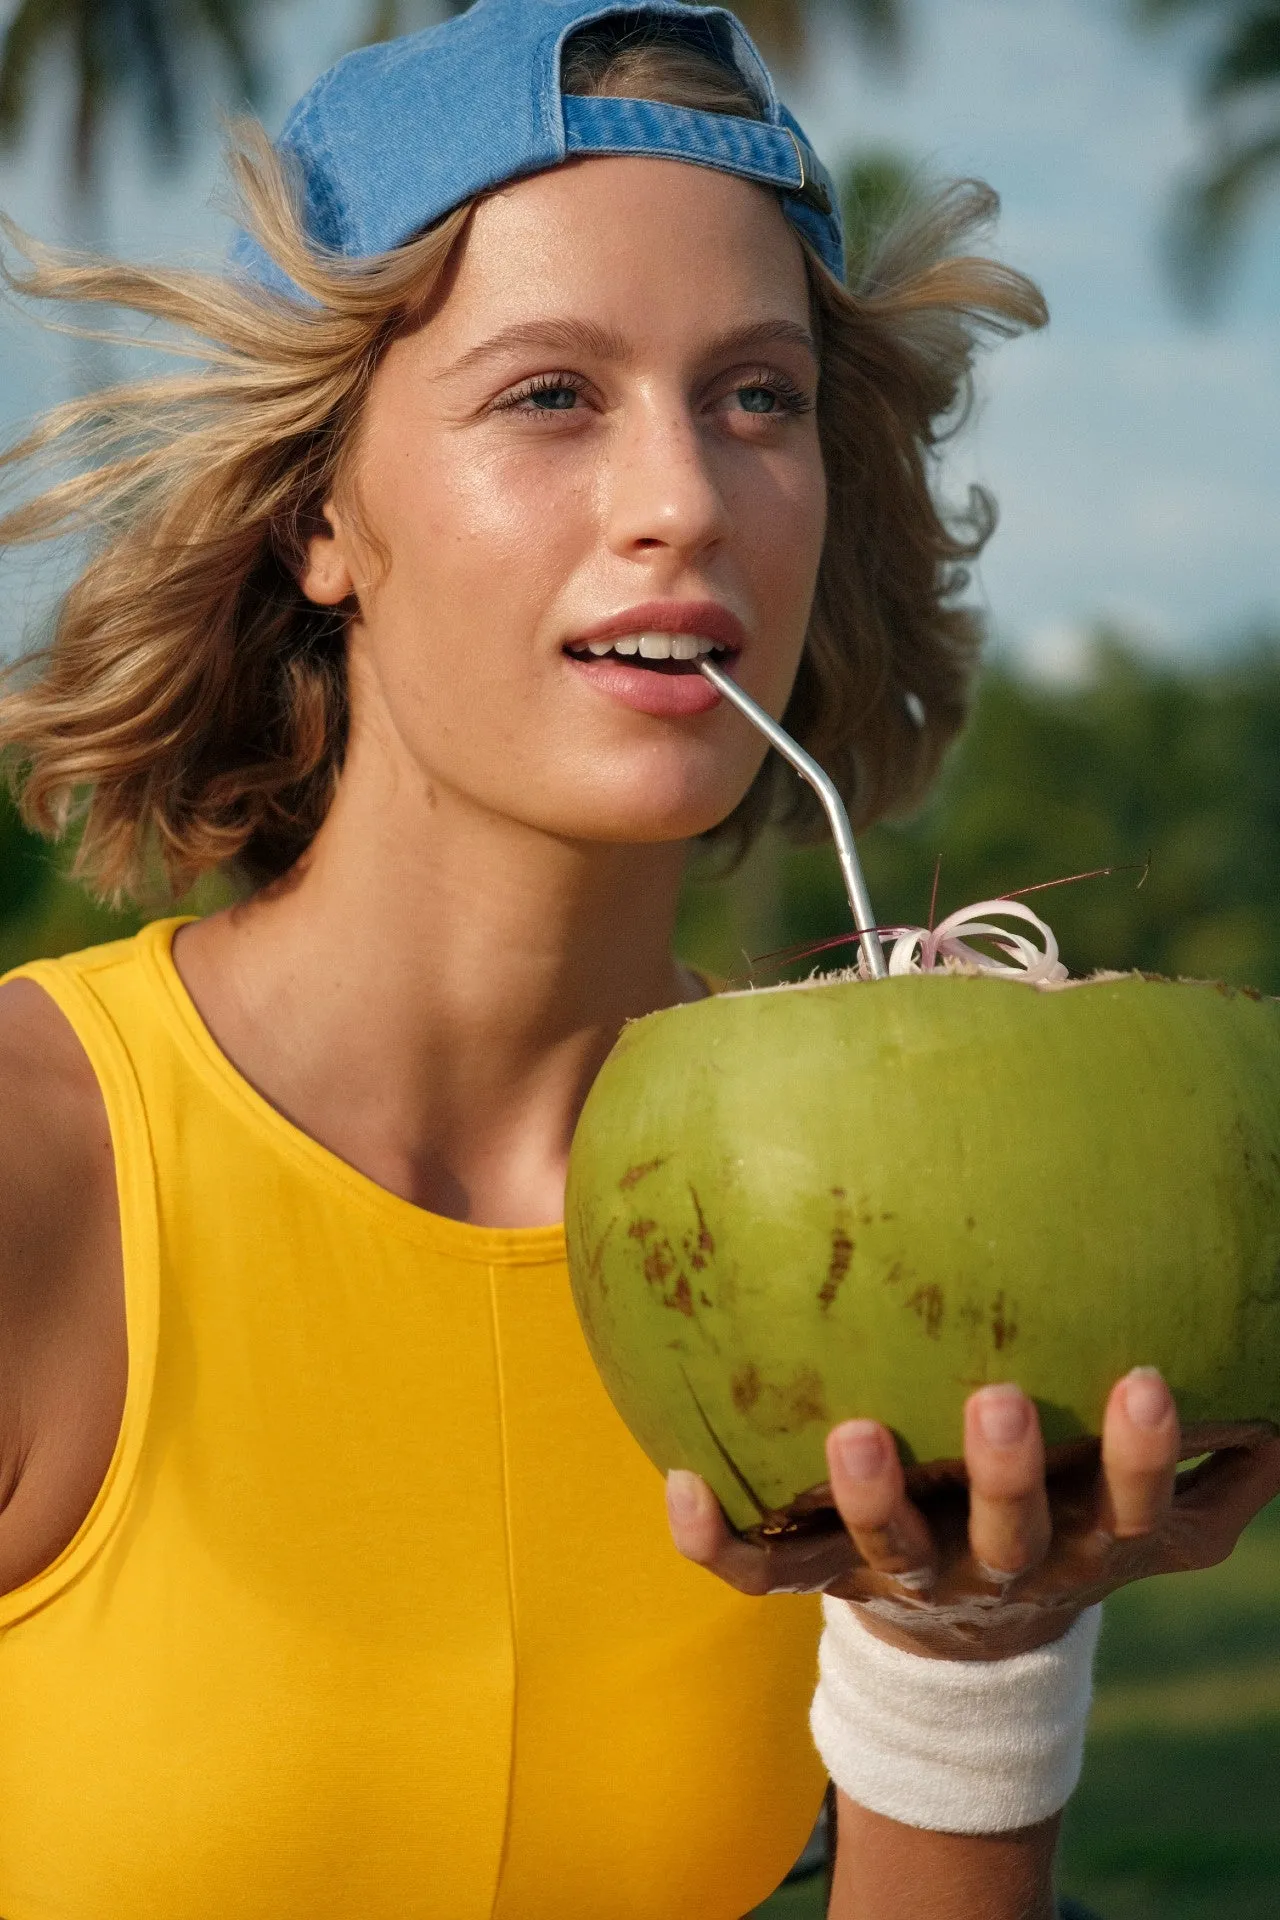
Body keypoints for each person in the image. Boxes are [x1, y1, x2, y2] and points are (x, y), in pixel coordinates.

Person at [0, 4, 1274, 1916]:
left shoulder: (890, 1241)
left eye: (756, 396)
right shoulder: (40, 1179)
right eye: (551, 396)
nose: (684, 497)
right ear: (319, 513)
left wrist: (973, 1667)